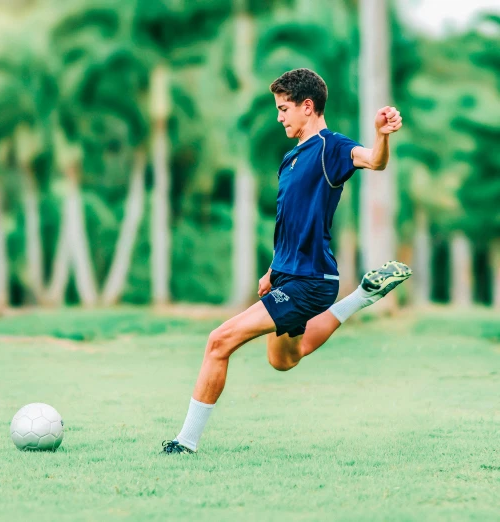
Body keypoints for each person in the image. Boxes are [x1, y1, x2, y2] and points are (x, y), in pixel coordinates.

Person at [161, 68, 411, 455]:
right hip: (288, 276)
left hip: (310, 281)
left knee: (218, 341)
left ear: (307, 107)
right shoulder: (290, 158)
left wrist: (381, 135)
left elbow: (374, 162)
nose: (279, 117)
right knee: (284, 360)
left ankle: (184, 443)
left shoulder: (332, 147)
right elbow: (288, 223)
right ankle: (361, 295)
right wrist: (271, 271)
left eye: (284, 109)